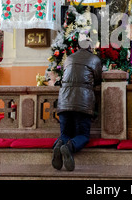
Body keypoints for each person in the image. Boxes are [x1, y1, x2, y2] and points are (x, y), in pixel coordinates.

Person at [52, 39, 102, 171]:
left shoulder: (68, 58)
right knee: (83, 135)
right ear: (90, 47)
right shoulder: (94, 59)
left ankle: (58, 146)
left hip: (64, 101)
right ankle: (68, 148)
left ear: (77, 47)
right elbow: (97, 79)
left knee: (65, 133)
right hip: (82, 102)